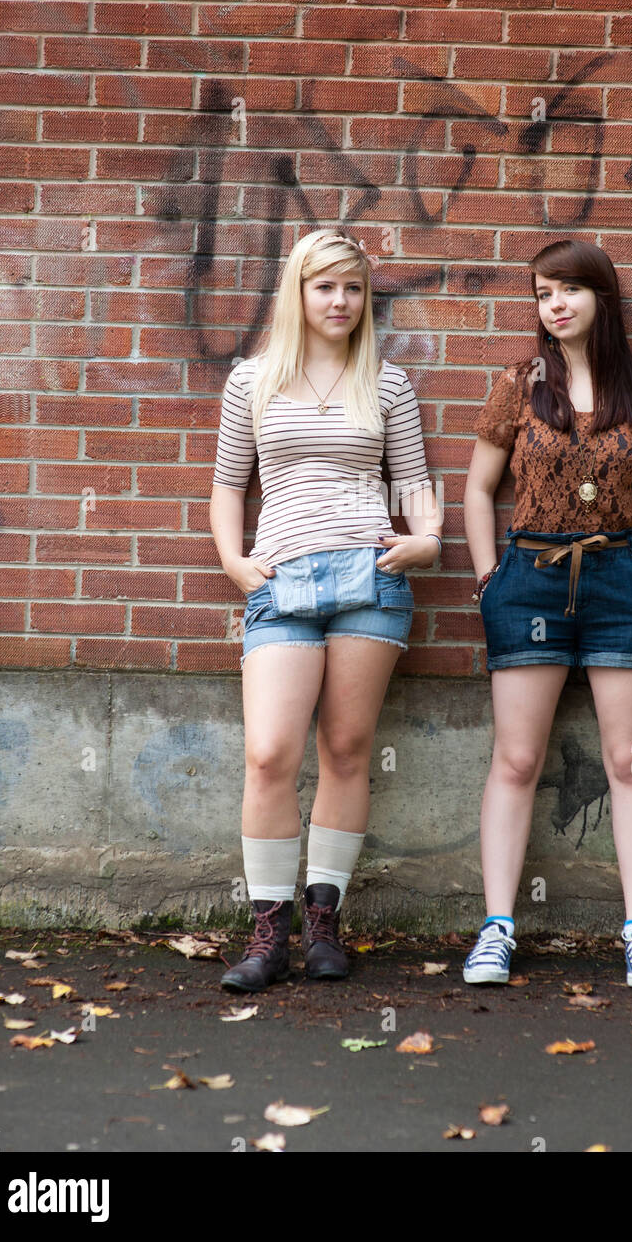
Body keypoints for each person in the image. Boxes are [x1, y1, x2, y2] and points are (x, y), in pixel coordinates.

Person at [210, 229, 442, 992]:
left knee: (345, 748)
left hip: (370, 578)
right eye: (324, 287)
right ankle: (267, 933)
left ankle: (321, 925)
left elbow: (412, 480)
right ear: (298, 293)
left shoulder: (388, 383)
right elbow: (227, 487)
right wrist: (234, 564)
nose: (339, 301)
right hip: (281, 584)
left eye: (352, 288)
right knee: (270, 753)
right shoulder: (251, 381)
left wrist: (427, 538)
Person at [463, 238, 632, 990]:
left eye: (567, 289)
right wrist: (487, 578)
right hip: (528, 579)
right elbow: (475, 489)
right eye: (540, 293)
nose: (553, 304)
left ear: (601, 296)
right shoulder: (517, 384)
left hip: (622, 578)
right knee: (517, 759)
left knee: (628, 762)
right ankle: (497, 927)